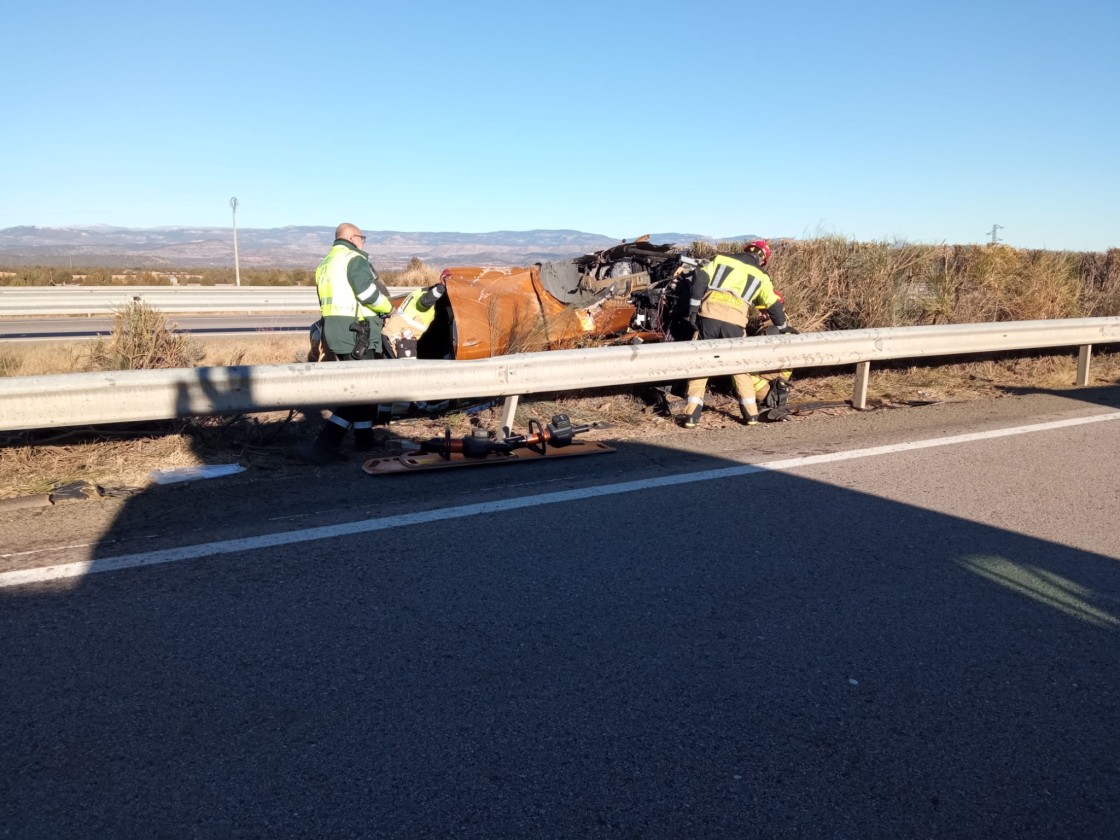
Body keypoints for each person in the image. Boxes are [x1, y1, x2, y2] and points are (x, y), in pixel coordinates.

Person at [291, 223, 393, 465]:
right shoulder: (353, 258)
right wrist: (387, 308)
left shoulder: (326, 263)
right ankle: (324, 444)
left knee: (360, 386)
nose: (363, 242)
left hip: (336, 332)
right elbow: (367, 293)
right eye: (362, 237)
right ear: (351, 237)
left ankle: (364, 439)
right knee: (362, 390)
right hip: (359, 332)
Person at [681, 239, 795, 428]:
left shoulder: (721, 259)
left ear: (746, 250)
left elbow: (700, 277)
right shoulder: (761, 276)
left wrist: (693, 309)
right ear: (763, 259)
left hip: (708, 318)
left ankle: (692, 416)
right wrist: (783, 328)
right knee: (740, 368)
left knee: (701, 365)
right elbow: (773, 305)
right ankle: (750, 415)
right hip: (734, 324)